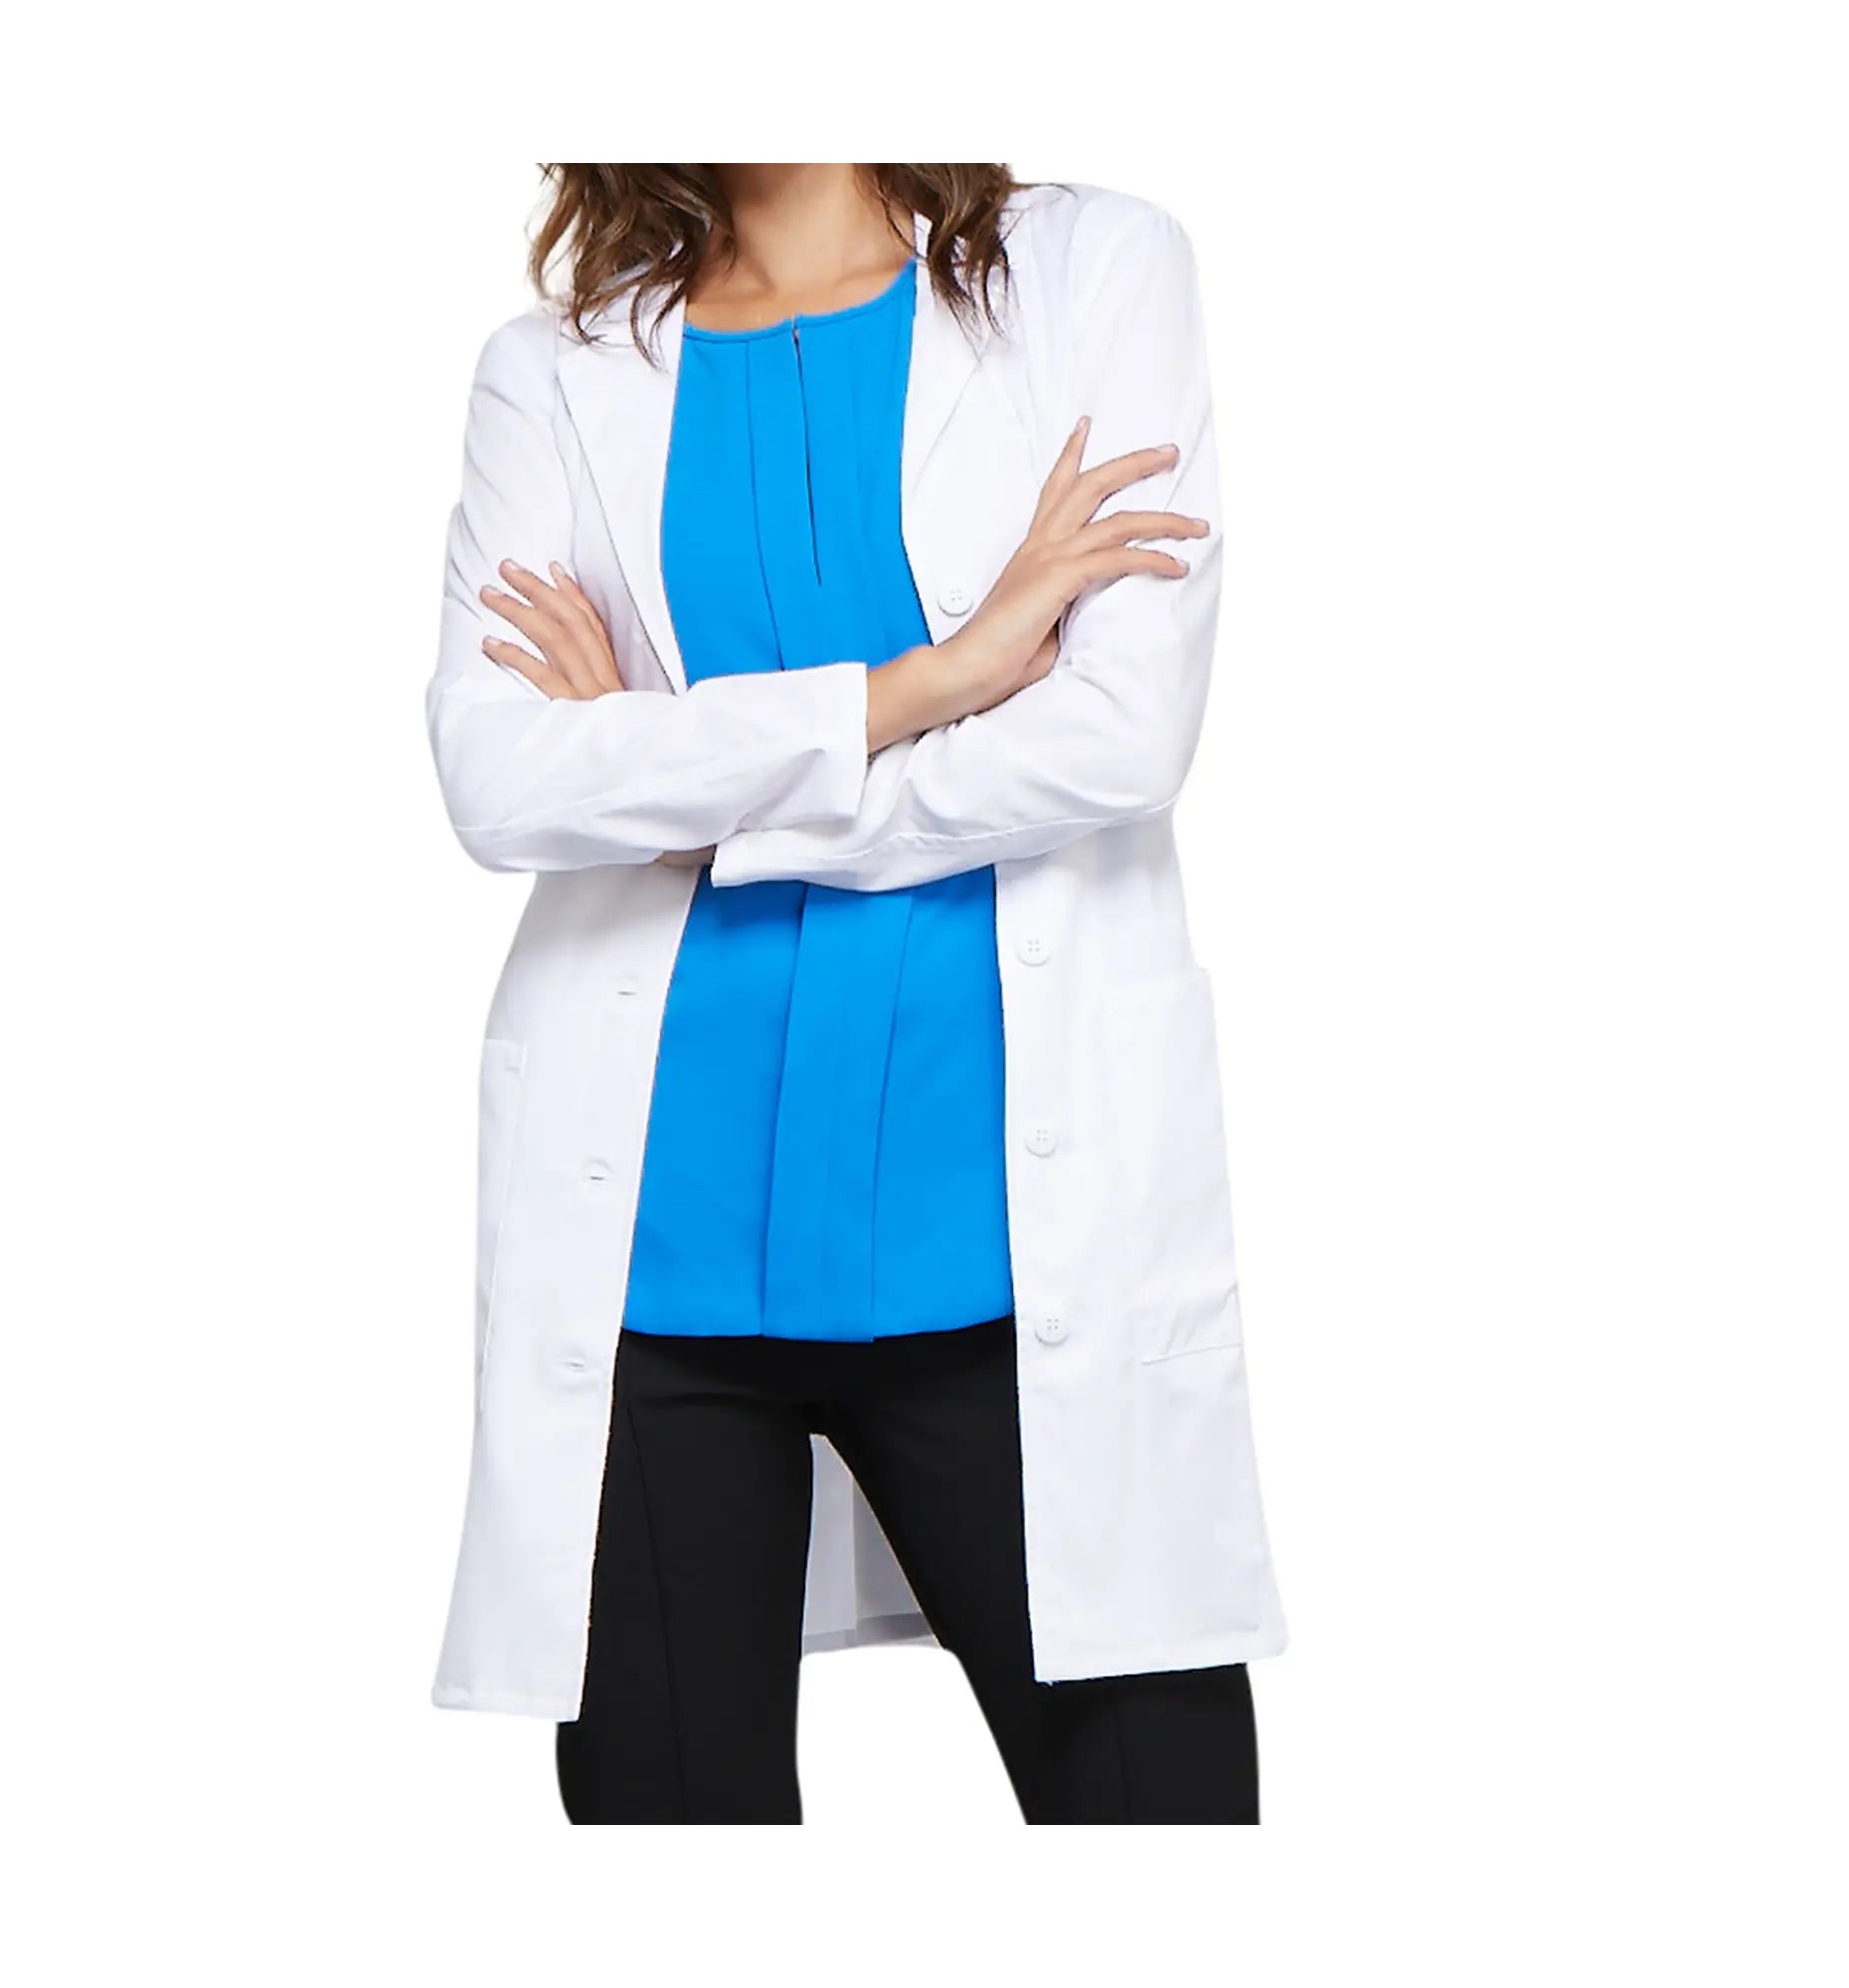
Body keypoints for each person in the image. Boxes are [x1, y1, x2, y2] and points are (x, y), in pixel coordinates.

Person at [423, 163, 1286, 1823]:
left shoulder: (1091, 274)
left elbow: (1119, 738)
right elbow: (503, 780)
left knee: (1158, 1819)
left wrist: (696, 808)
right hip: (654, 1270)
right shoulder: (553, 368)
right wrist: (935, 683)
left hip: (1011, 1250)